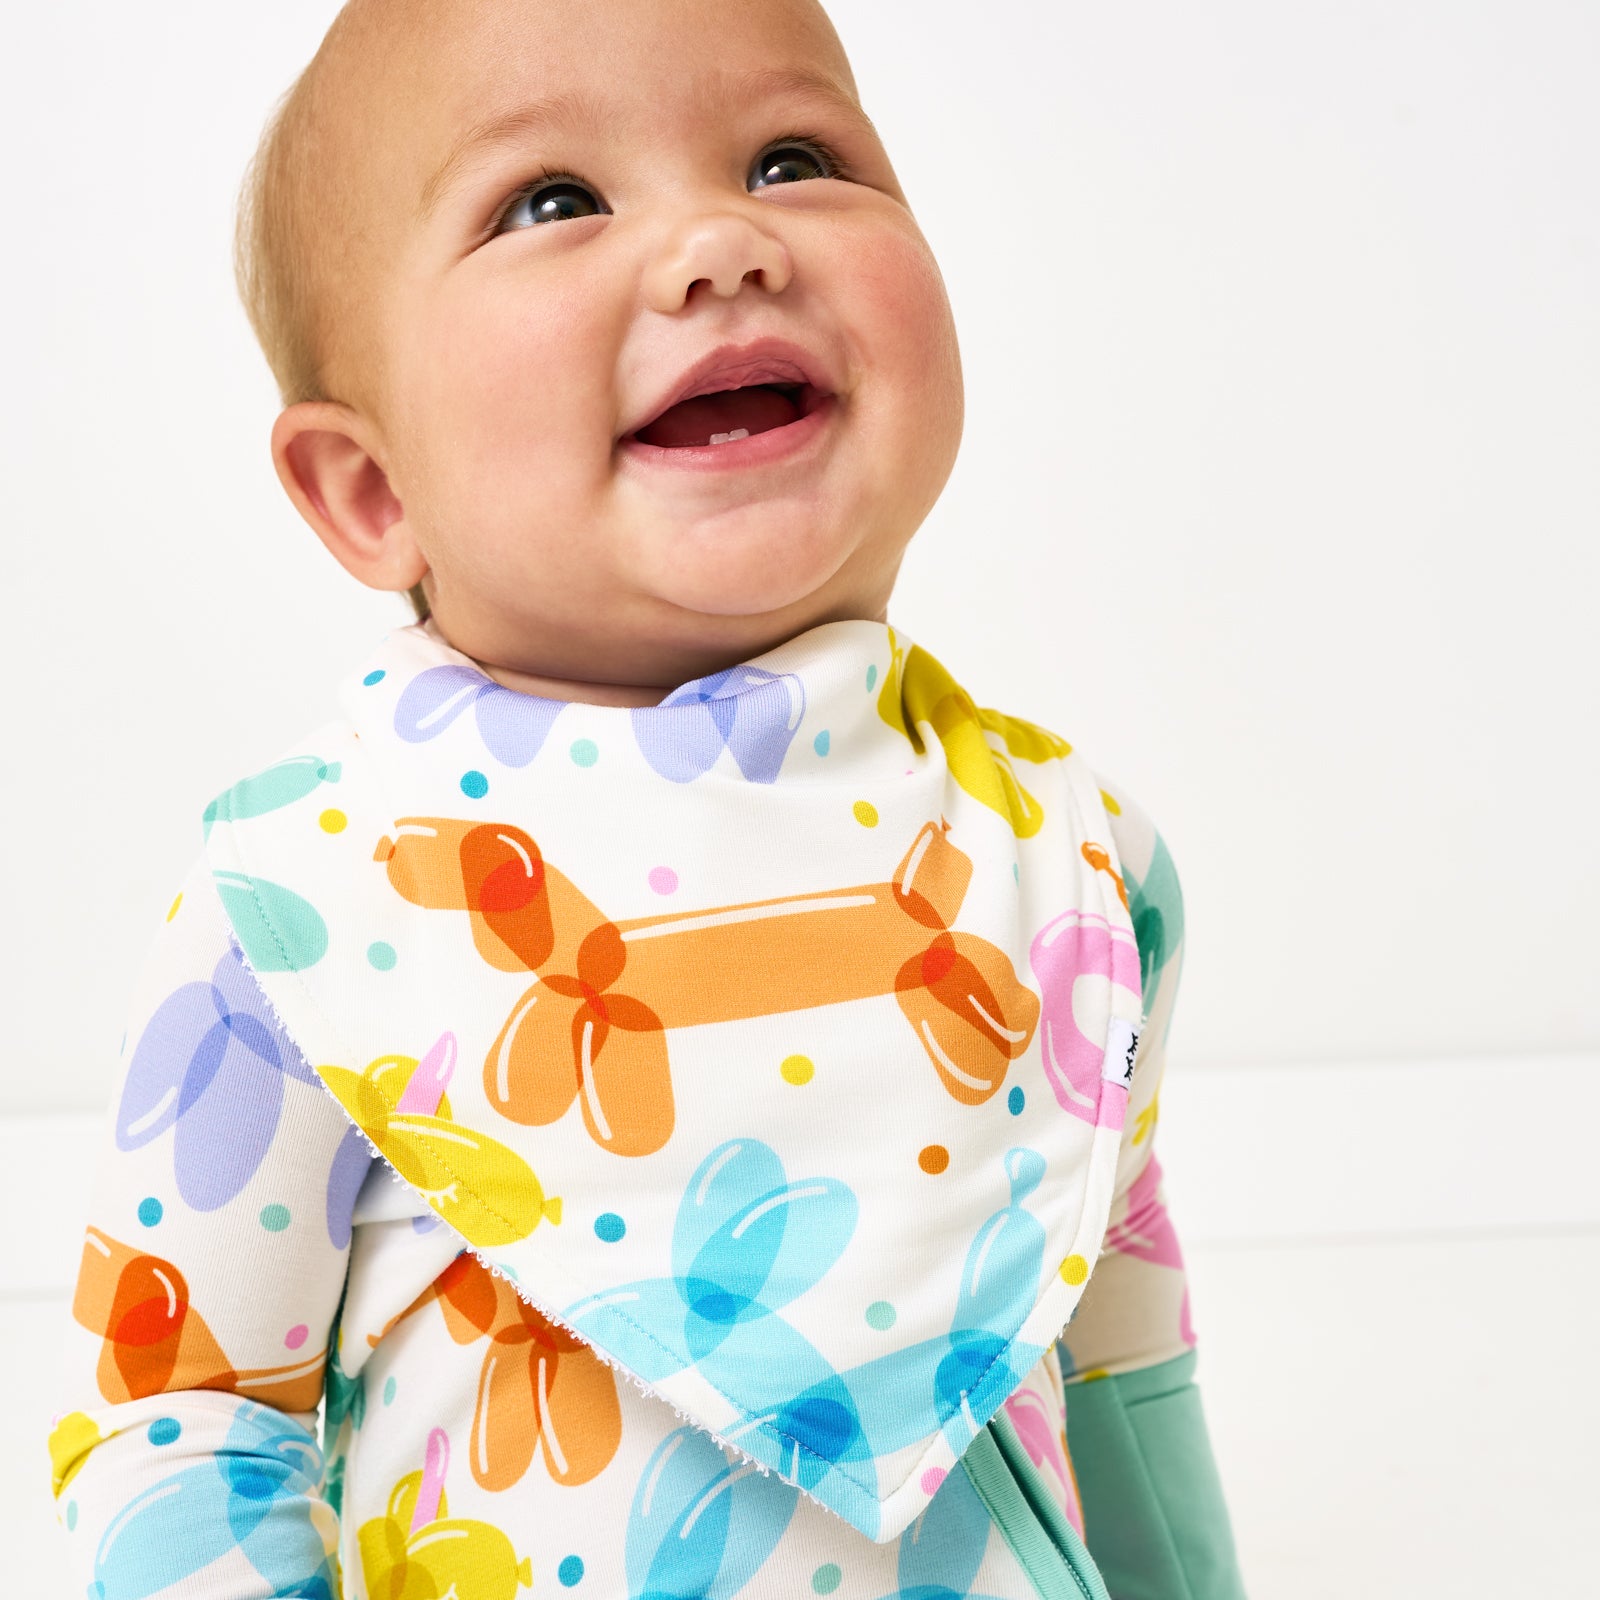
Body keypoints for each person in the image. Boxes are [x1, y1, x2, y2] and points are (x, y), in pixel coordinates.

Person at [45, 1, 1247, 1594]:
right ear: (372, 489)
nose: (718, 239)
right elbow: (180, 1432)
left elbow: (1120, 1368)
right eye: (551, 199)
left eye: (793, 155)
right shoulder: (299, 911)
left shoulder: (1074, 861)